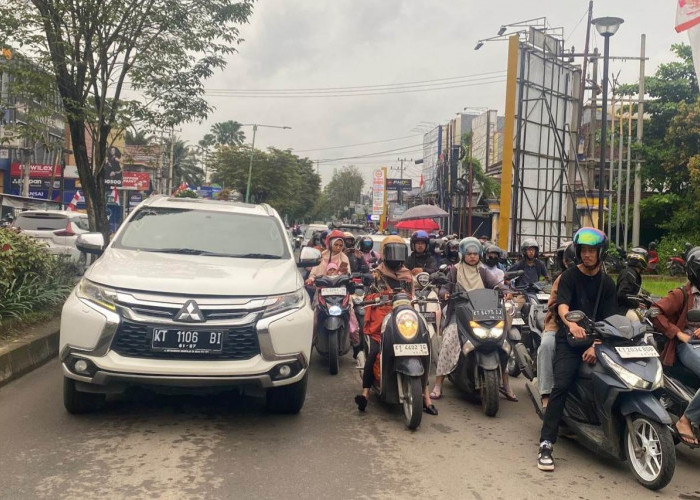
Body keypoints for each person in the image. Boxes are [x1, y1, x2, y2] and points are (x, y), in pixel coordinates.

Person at [537, 227, 617, 472]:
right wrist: (571, 324)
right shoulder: (570, 276)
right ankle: (546, 443)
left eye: (592, 250)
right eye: (584, 250)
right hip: (569, 341)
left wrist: (596, 344)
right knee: (560, 385)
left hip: (598, 341)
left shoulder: (607, 283)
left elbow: (610, 318)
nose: (587, 255)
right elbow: (562, 305)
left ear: (600, 253)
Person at [354, 235, 438, 416]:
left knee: (421, 348)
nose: (395, 256)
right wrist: (376, 297)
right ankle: (365, 393)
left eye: (399, 251)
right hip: (382, 317)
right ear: (384, 253)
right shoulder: (376, 273)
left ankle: (426, 397)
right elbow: (368, 297)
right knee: (375, 350)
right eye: (391, 251)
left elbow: (413, 295)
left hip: (404, 317)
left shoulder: (408, 275)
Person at [429, 237, 517, 401]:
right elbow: (444, 288)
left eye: (475, 254)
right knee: (450, 339)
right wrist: (445, 293)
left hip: (483, 312)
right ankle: (438, 383)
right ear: (463, 254)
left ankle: (506, 384)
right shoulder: (454, 270)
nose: (472, 257)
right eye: (469, 254)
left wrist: (505, 290)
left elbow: (496, 284)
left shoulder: (483, 271)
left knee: (502, 341)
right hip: (460, 312)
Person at [651, 246, 700, 445]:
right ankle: (686, 420)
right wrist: (678, 333)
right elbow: (655, 312)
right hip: (688, 345)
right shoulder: (681, 294)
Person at [537, 242, 576, 409]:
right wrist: (568, 313)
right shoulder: (563, 278)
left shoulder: (600, 279)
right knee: (546, 345)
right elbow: (553, 304)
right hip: (558, 324)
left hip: (591, 327)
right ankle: (546, 392)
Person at [616, 247, 648, 312]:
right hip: (623, 311)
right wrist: (636, 304)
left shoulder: (632, 273)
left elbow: (632, 294)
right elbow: (622, 295)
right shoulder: (629, 274)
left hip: (625, 308)